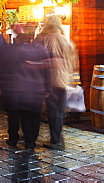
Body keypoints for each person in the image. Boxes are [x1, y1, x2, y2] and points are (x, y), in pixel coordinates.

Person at [0, 24, 51, 151]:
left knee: (14, 115)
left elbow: (1, 67)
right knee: (32, 116)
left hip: (13, 88)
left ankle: (13, 139)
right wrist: (47, 88)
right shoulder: (41, 50)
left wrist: (0, 85)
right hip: (35, 89)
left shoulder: (9, 50)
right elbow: (47, 71)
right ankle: (30, 141)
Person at [34, 14, 78, 150]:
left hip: (50, 80)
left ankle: (56, 141)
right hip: (64, 80)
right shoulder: (66, 40)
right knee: (58, 111)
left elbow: (37, 58)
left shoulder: (43, 39)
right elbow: (73, 62)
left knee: (52, 111)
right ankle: (57, 137)